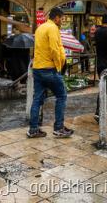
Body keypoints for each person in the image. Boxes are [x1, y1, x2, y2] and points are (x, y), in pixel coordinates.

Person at [27, 7, 74, 138]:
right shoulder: (53, 28)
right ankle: (59, 128)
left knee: (37, 99)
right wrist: (59, 66)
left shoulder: (40, 27)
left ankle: (33, 129)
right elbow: (54, 49)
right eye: (62, 19)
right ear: (57, 17)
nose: (62, 21)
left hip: (37, 68)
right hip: (49, 68)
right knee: (61, 96)